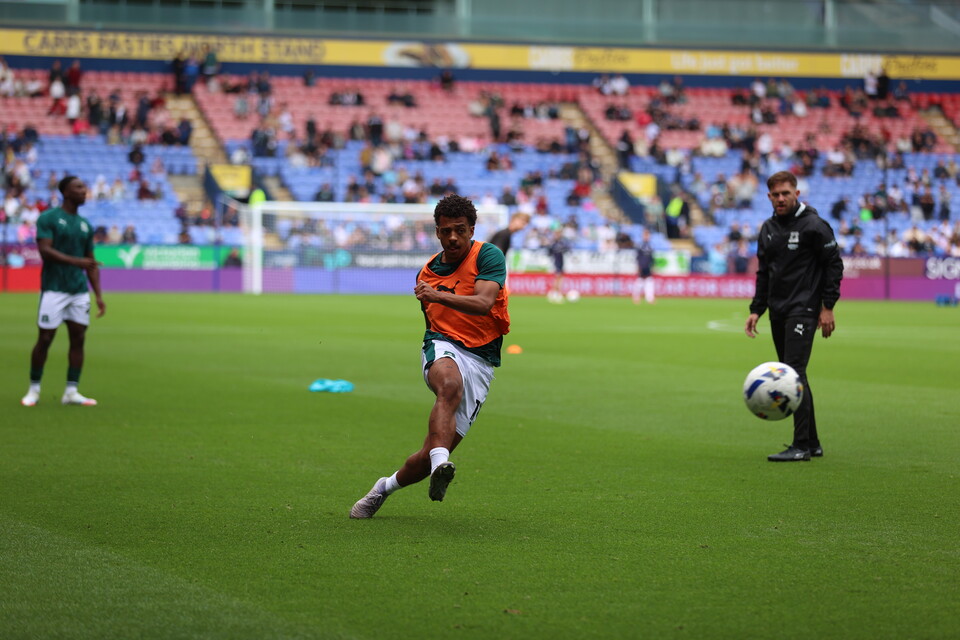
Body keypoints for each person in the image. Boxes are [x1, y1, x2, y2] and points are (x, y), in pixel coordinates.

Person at [350, 195, 510, 518]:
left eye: (460, 230)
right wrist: (434, 295)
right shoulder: (428, 272)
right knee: (449, 385)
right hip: (441, 345)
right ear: (437, 232)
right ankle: (442, 465)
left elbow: (482, 304)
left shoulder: (489, 256)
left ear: (472, 230)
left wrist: (438, 295)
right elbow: (433, 321)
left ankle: (384, 487)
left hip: (480, 360)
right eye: (446, 230)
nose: (453, 237)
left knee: (427, 455)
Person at [745, 171, 843, 462]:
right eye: (775, 195)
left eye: (786, 193)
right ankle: (812, 442)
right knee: (793, 373)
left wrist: (827, 306)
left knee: (794, 373)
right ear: (769, 197)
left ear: (796, 194)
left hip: (805, 309)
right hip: (779, 310)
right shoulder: (768, 229)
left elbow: (834, 265)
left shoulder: (814, 225)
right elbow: (764, 273)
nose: (781, 199)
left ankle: (800, 445)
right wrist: (756, 309)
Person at [21, 176, 106, 407]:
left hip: (78, 291)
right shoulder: (49, 218)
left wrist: (98, 295)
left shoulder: (85, 225)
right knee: (45, 338)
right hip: (54, 289)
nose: (84, 191)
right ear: (65, 192)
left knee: (78, 338)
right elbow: (45, 251)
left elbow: (90, 262)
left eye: (84, 188)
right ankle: (34, 390)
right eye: (78, 187)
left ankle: (71, 391)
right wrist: (76, 262)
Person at [632, 228, 655, 304]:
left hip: (648, 266)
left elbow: (651, 257)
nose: (647, 236)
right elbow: (638, 257)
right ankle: (636, 297)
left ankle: (649, 298)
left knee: (649, 281)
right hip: (642, 266)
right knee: (640, 282)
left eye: (648, 235)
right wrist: (639, 266)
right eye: (645, 235)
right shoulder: (640, 245)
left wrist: (652, 265)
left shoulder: (650, 246)